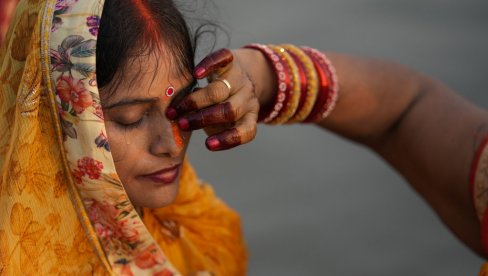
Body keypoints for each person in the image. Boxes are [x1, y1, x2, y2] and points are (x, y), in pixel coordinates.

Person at [0, 0, 246, 275]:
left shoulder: (195, 219)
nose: (172, 146)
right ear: (52, 120)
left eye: (182, 104)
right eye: (131, 118)